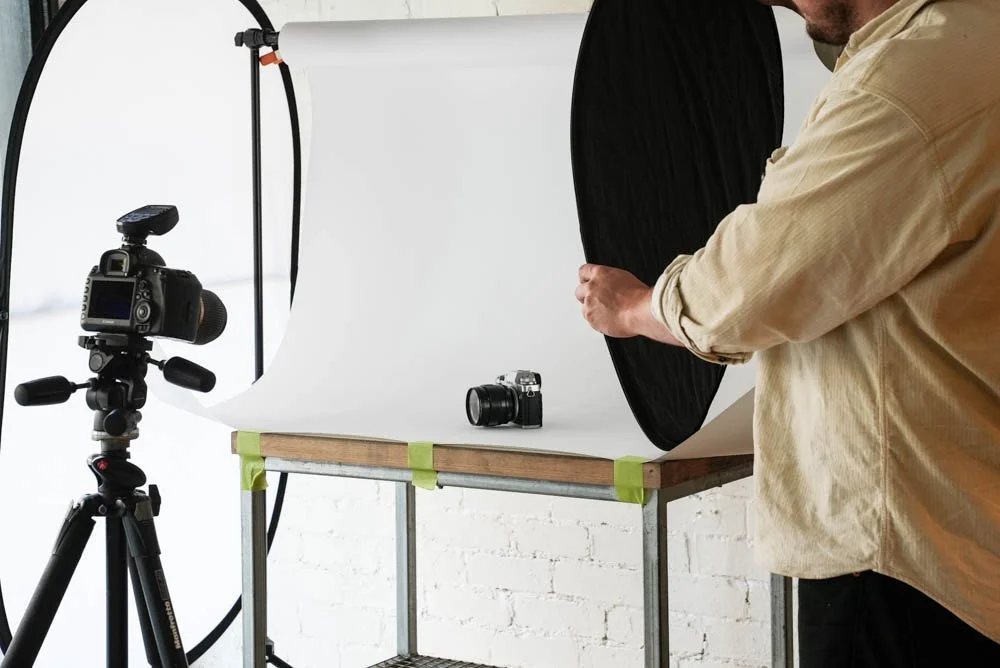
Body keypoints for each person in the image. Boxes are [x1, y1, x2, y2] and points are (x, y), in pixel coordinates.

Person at [575, 0, 1000, 665]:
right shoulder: (981, 41)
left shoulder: (904, 86)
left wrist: (634, 306)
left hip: (898, 553)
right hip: (967, 538)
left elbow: (752, 283)